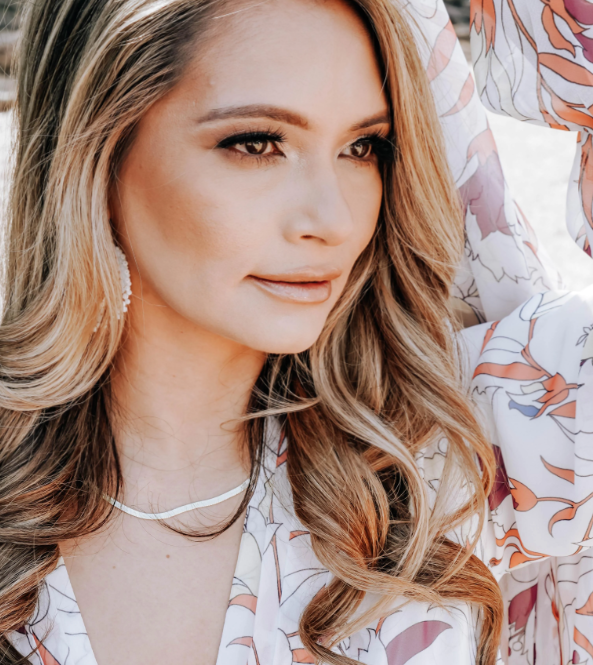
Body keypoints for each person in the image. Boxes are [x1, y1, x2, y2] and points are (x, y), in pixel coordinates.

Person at [0, 0, 586, 664]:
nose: (332, 219)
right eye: (256, 143)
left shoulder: (469, 435)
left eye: (362, 147)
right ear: (97, 150)